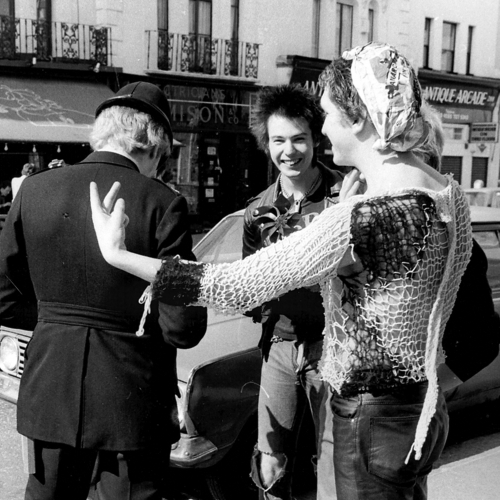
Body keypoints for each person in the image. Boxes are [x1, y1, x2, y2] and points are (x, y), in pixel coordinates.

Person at [90, 43, 473, 500]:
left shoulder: (358, 218)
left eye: (329, 114)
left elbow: (233, 284)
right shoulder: (448, 194)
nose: (323, 126)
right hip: (421, 410)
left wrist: (120, 255)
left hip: (368, 420)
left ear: (361, 119)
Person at [0, 81, 207, 500]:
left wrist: (56, 321)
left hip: (50, 390)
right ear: (155, 144)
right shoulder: (163, 202)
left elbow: (4, 300)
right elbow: (183, 327)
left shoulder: (35, 190)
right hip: (132, 401)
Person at [243, 84, 343, 500]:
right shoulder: (256, 211)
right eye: (278, 140)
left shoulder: (345, 195)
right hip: (280, 349)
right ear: (266, 144)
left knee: (335, 465)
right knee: (271, 464)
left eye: (299, 138)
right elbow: (250, 288)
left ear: (315, 138)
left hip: (334, 349)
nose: (290, 150)